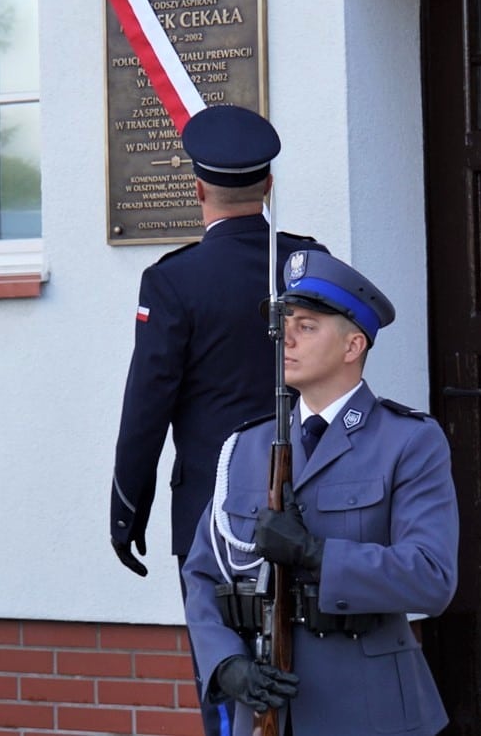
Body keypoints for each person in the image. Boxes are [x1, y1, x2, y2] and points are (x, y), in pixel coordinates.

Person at [110, 104, 327, 735]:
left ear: (198, 189)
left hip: (213, 519)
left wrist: (128, 509)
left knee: (228, 685)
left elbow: (146, 409)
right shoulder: (305, 266)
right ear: (269, 186)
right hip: (310, 503)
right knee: (310, 683)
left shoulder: (174, 281)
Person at [182, 251, 459, 735]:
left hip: (369, 708)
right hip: (268, 702)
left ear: (353, 345)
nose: (285, 337)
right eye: (285, 321)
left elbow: (432, 577)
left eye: (307, 326)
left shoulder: (409, 441)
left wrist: (315, 554)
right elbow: (203, 572)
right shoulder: (249, 446)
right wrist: (226, 662)